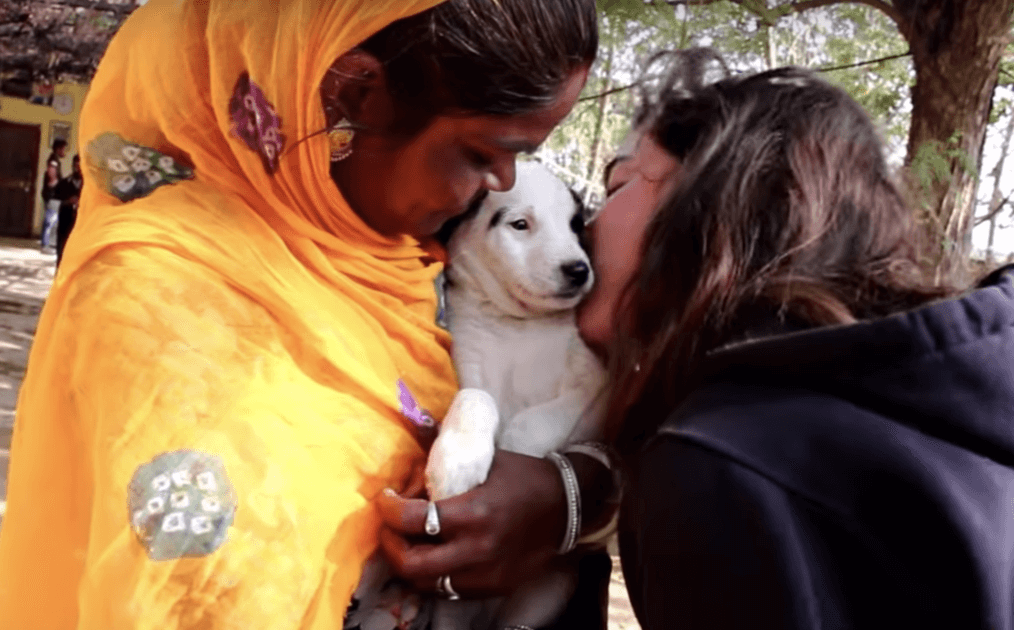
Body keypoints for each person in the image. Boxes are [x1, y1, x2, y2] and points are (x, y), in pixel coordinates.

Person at [0, 1, 606, 628]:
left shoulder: (397, 264)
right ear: (357, 93)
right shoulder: (158, 302)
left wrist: (572, 493)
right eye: (484, 154)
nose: (502, 183)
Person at [577, 50, 1014, 628]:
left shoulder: (723, 463)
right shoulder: (969, 389)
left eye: (618, 184)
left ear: (702, 207)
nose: (583, 227)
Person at [54, 153, 83, 266]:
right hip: (65, 221)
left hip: (81, 222)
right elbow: (55, 201)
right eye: (76, 164)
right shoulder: (64, 183)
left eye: (80, 164)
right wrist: (68, 201)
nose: (78, 167)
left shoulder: (88, 185)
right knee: (62, 249)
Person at [40, 138, 67, 251]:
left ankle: (47, 244)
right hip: (52, 195)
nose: (64, 152)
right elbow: (52, 175)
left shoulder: (54, 159)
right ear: (58, 149)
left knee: (52, 219)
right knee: (50, 220)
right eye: (63, 149)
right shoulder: (53, 160)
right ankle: (45, 245)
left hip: (52, 194)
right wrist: (58, 185)